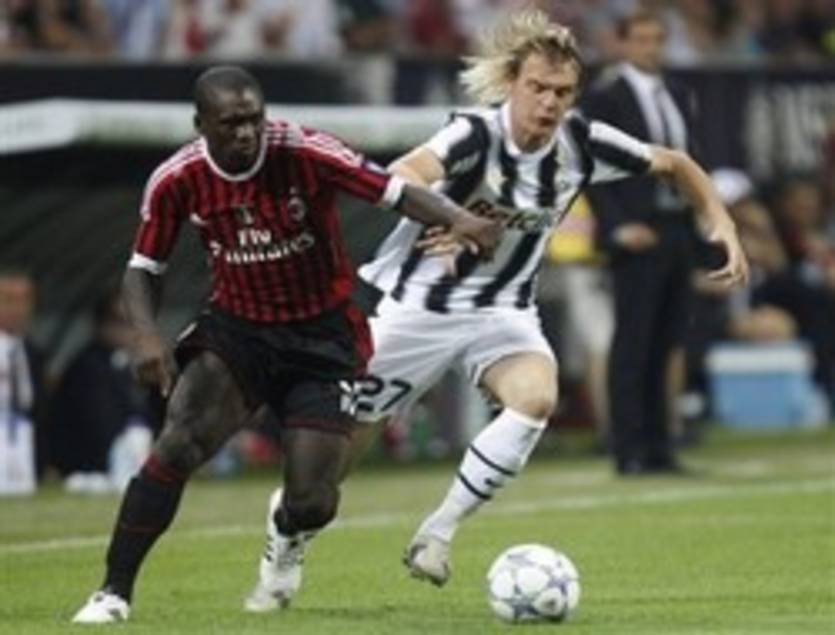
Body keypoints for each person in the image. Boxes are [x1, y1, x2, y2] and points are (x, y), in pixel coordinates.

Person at [245, 8, 748, 599]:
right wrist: (451, 216)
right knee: (322, 482)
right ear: (512, 82)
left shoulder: (581, 143)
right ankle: (288, 537)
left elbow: (675, 163)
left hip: (504, 312)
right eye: (538, 87)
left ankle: (438, 532)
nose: (549, 102)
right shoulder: (474, 135)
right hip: (419, 310)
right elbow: (402, 173)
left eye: (562, 92)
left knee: (536, 398)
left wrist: (722, 224)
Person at [71, 64, 501, 624]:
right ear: (201, 125)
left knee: (313, 501)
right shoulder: (177, 178)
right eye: (231, 123)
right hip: (238, 331)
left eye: (254, 118)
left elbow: (394, 191)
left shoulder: (305, 151)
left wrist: (461, 218)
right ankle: (112, 592)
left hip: (323, 338)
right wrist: (146, 335)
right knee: (178, 445)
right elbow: (144, 267)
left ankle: (287, 533)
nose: (247, 132)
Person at [581, 9, 705, 475]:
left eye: (657, 39)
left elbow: (690, 159)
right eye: (641, 39)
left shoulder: (678, 93)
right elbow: (590, 166)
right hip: (636, 231)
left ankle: (659, 446)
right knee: (633, 342)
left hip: (677, 227)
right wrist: (616, 225)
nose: (651, 48)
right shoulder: (605, 96)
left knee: (667, 340)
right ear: (622, 44)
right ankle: (628, 447)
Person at [50, 288, 154, 480]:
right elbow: (100, 427)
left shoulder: (131, 364)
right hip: (90, 469)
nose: (131, 331)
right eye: (122, 322)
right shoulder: (87, 367)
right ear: (102, 325)